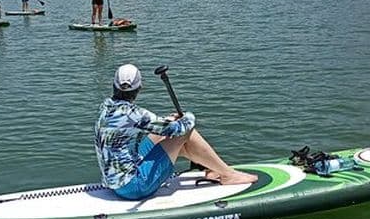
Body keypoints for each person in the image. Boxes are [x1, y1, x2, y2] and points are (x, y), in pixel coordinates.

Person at [95, 64, 257, 200]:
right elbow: (177, 129)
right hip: (132, 187)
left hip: (113, 179)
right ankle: (228, 174)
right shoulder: (133, 113)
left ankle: (211, 169)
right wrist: (188, 116)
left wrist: (172, 120)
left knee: (173, 127)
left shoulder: (106, 106)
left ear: (114, 86)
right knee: (185, 132)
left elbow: (157, 125)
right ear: (140, 88)